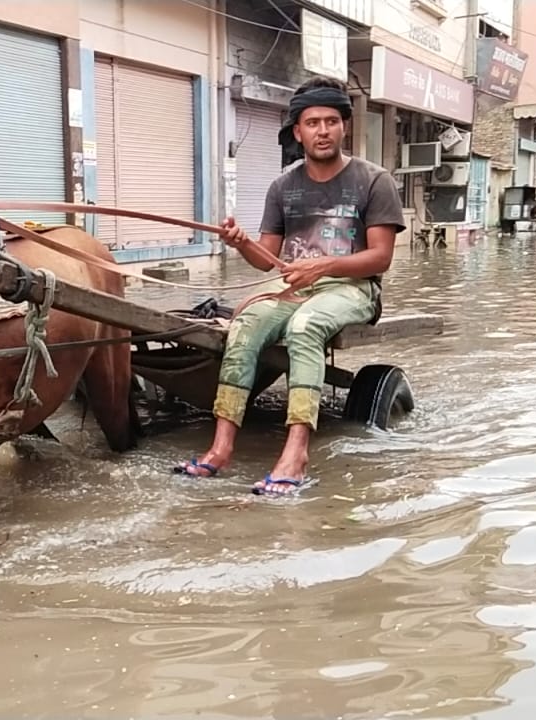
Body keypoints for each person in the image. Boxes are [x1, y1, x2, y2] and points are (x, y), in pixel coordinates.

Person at [173, 73, 406, 496]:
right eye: (313, 123)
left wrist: (323, 267)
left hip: (354, 290)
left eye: (331, 121)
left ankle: (296, 452)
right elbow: (266, 261)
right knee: (243, 327)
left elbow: (381, 257)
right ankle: (221, 447)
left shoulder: (374, 181)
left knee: (304, 328)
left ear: (344, 126)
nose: (322, 130)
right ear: (297, 131)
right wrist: (239, 242)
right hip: (294, 290)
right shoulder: (283, 186)